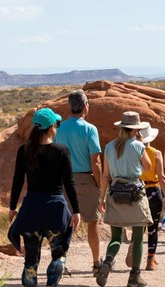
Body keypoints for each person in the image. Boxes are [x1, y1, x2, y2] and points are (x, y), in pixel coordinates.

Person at [7, 107, 81, 287]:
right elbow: (69, 183)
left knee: (31, 260)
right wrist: (76, 210)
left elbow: (17, 181)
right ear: (50, 128)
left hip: (31, 210)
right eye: (56, 125)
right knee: (59, 255)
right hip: (55, 211)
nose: (57, 128)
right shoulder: (61, 151)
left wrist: (13, 207)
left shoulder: (24, 151)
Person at [96, 111, 153, 287]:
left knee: (116, 237)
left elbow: (105, 175)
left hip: (115, 193)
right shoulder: (138, 145)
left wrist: (102, 198)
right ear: (136, 130)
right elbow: (148, 166)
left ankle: (107, 262)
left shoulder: (110, 147)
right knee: (137, 237)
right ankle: (134, 277)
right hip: (135, 194)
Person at [54, 90, 103, 276]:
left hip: (64, 179)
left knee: (65, 223)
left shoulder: (59, 128)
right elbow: (95, 161)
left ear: (70, 107)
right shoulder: (90, 129)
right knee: (92, 223)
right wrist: (99, 184)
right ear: (85, 106)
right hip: (85, 179)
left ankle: (60, 260)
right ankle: (96, 263)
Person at [130, 124, 165, 271]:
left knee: (138, 226)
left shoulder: (134, 151)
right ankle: (150, 261)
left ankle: (135, 254)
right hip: (154, 192)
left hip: (138, 190)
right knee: (152, 229)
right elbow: (162, 177)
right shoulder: (156, 153)